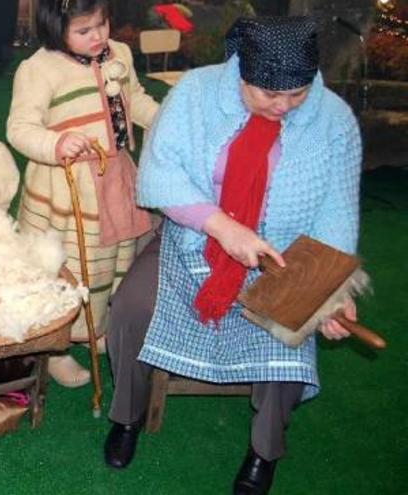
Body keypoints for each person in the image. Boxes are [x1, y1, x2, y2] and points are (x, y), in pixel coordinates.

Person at [103, 17, 362, 495]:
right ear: (240, 72)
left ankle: (264, 453)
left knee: (290, 341)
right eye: (268, 94)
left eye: (298, 93)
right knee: (129, 309)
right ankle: (126, 417)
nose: (283, 106)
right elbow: (158, 177)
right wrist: (221, 227)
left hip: (283, 260)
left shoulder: (335, 121)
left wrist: (330, 292)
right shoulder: (196, 94)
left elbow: (337, 216)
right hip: (191, 239)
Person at [6, 0, 159, 387]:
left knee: (113, 260)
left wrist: (163, 118)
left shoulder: (119, 53)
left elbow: (133, 98)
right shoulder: (37, 69)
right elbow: (20, 128)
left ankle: (100, 328)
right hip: (67, 190)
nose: (98, 36)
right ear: (55, 29)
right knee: (68, 267)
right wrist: (55, 144)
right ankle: (57, 347)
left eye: (102, 24)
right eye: (84, 30)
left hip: (115, 179)